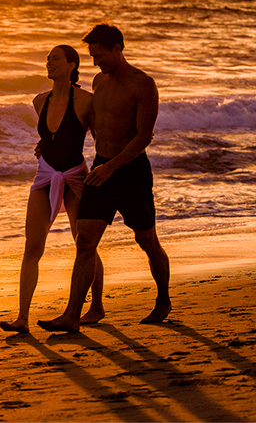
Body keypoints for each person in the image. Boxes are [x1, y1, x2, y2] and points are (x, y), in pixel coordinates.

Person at [38, 24, 171, 333]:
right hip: (101, 168)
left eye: (100, 56)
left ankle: (163, 299)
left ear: (117, 49)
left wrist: (113, 167)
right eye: (92, 56)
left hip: (132, 171)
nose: (95, 63)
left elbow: (143, 136)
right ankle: (73, 314)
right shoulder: (99, 81)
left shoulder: (143, 84)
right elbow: (93, 122)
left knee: (146, 240)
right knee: (85, 241)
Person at [0, 45, 105, 334]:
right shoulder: (38, 101)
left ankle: (95, 306)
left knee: (84, 243)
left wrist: (107, 170)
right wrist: (43, 146)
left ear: (72, 65)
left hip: (76, 178)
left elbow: (100, 140)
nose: (49, 63)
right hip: (45, 176)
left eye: (55, 59)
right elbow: (51, 137)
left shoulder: (86, 101)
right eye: (47, 59)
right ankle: (22, 317)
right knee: (32, 247)